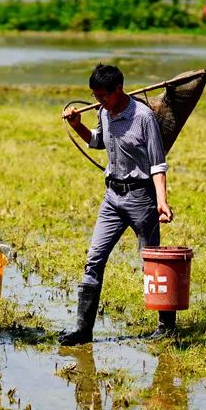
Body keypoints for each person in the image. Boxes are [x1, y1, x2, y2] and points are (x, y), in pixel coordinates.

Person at [59, 64, 174, 346]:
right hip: (112, 197)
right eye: (95, 96)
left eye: (104, 96)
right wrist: (78, 127)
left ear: (119, 89)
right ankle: (83, 330)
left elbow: (158, 164)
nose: (100, 102)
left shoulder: (144, 118)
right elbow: (98, 141)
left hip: (141, 199)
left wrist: (162, 201)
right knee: (94, 259)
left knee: (151, 263)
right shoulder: (103, 113)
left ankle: (166, 325)